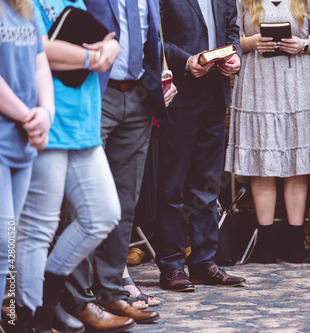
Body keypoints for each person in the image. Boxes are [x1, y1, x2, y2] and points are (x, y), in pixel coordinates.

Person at [58, 0, 176, 330]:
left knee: (125, 200)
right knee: (83, 201)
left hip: (139, 95)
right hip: (96, 92)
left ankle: (110, 289)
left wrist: (162, 75)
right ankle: (77, 297)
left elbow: (153, 36)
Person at [14, 0, 127, 332]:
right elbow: (38, 49)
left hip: (84, 122)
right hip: (46, 122)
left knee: (103, 214)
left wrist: (112, 46)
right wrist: (94, 56)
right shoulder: (21, 4)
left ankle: (45, 300)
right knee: (38, 227)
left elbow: (103, 35)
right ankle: (29, 314)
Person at [224, 0, 310, 264]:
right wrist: (249, 43)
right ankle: (267, 243)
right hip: (256, 79)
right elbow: (229, 38)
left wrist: (302, 44)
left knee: (297, 164)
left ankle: (296, 241)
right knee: (263, 163)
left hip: (298, 80)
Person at [154, 0, 246, 292]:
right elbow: (153, 38)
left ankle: (204, 262)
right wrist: (185, 61)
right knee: (172, 187)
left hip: (215, 95)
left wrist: (235, 56)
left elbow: (232, 30)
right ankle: (171, 265)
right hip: (179, 95)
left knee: (207, 184)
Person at [0, 0, 53, 328]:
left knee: (9, 241)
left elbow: (40, 65)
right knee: (2, 241)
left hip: (24, 143)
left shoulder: (24, 7)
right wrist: (28, 115)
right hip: (7, 137)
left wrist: (46, 112)